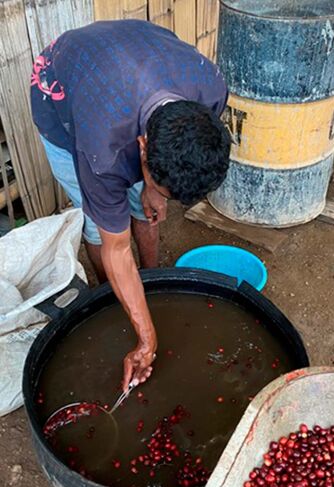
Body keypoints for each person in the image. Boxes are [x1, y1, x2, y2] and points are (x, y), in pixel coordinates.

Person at [30, 19, 231, 393]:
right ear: (141, 147)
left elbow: (175, 163)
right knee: (98, 226)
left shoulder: (212, 88)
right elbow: (117, 246)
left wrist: (155, 190)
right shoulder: (101, 152)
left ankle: (150, 280)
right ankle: (110, 297)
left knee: (146, 207)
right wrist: (146, 337)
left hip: (134, 56)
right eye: (154, 178)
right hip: (59, 92)